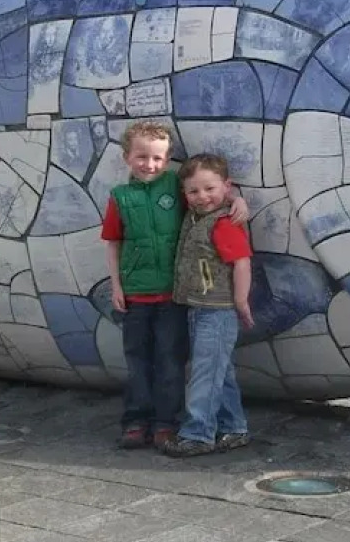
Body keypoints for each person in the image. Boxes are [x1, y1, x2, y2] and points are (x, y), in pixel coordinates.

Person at [101, 122, 247, 450]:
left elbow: (207, 195)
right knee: (137, 360)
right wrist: (116, 286)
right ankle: (136, 420)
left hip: (174, 296)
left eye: (157, 158)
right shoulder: (120, 198)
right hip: (136, 294)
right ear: (127, 157)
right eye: (142, 157)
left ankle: (167, 422)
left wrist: (237, 199)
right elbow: (113, 243)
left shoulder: (176, 188)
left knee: (170, 360)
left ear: (167, 161)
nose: (149, 165)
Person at [160, 154, 255, 458]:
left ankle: (198, 433)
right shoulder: (195, 216)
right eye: (193, 191)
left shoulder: (225, 223)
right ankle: (234, 427)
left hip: (217, 310)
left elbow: (242, 263)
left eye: (210, 189)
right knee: (219, 371)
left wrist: (241, 301)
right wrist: (235, 198)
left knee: (204, 372)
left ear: (226, 186)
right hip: (197, 307)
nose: (202, 197)